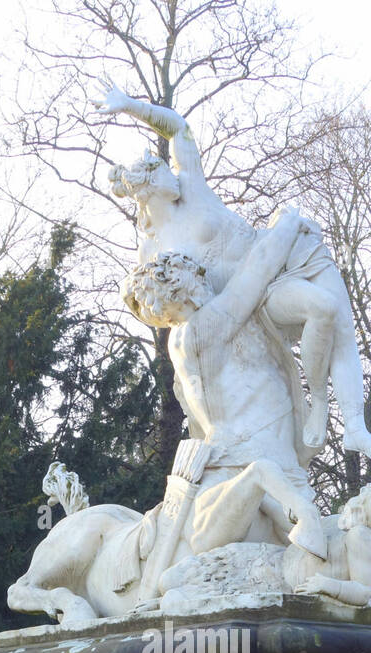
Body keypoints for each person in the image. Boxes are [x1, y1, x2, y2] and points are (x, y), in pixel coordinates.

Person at [95, 83, 371, 464]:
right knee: (322, 308)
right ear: (150, 186)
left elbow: (179, 129)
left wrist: (130, 106)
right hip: (251, 305)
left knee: (341, 321)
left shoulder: (191, 187)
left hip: (280, 255)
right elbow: (156, 306)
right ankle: (319, 401)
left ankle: (354, 425)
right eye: (163, 174)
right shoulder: (152, 251)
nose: (173, 175)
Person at [122, 210, 330, 560]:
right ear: (181, 287)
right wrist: (289, 223)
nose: (203, 277)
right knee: (314, 547)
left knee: (310, 544)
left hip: (245, 452)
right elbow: (260, 267)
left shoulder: (187, 338)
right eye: (194, 272)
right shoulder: (204, 328)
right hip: (255, 454)